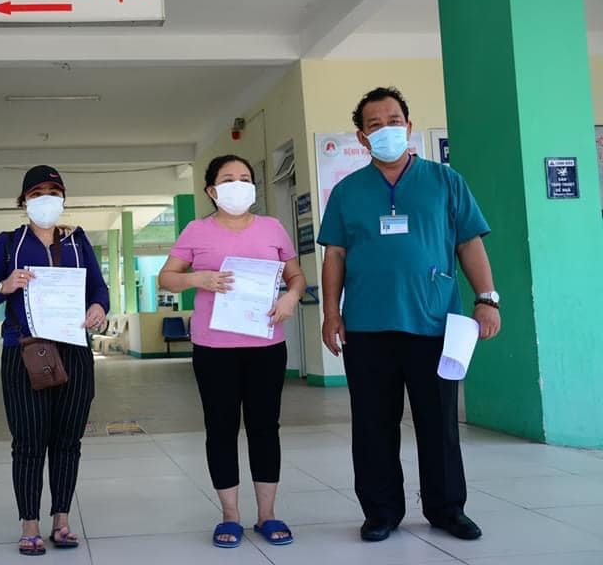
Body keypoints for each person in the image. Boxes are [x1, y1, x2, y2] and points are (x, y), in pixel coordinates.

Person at [318, 86, 501, 543]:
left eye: (393, 120)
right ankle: (381, 512)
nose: (386, 130)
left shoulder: (445, 181)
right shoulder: (346, 192)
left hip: (434, 322)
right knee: (373, 425)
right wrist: (330, 313)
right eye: (375, 125)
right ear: (362, 138)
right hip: (366, 325)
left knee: (438, 423)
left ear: (410, 127)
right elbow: (335, 255)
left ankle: (446, 509)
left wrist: (487, 298)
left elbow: (469, 243)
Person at [158, 154, 306, 549]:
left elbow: (295, 275)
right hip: (214, 347)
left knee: (264, 427)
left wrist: (291, 297)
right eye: (228, 178)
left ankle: (267, 515)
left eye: (245, 178)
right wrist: (198, 278)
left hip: (266, 344)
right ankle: (230, 516)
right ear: (212, 190)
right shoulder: (196, 230)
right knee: (221, 429)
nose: (238, 184)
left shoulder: (273, 228)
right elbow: (167, 277)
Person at [0, 165, 109, 556]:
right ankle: (29, 525)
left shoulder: (79, 243)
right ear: (23, 201)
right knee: (29, 441)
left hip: (75, 350)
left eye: (53, 191)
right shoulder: (7, 244)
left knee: (68, 440)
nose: (45, 198)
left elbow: (98, 287)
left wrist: (99, 307)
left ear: (63, 198)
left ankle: (61, 521)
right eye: (36, 193)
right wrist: (5, 284)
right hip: (25, 350)